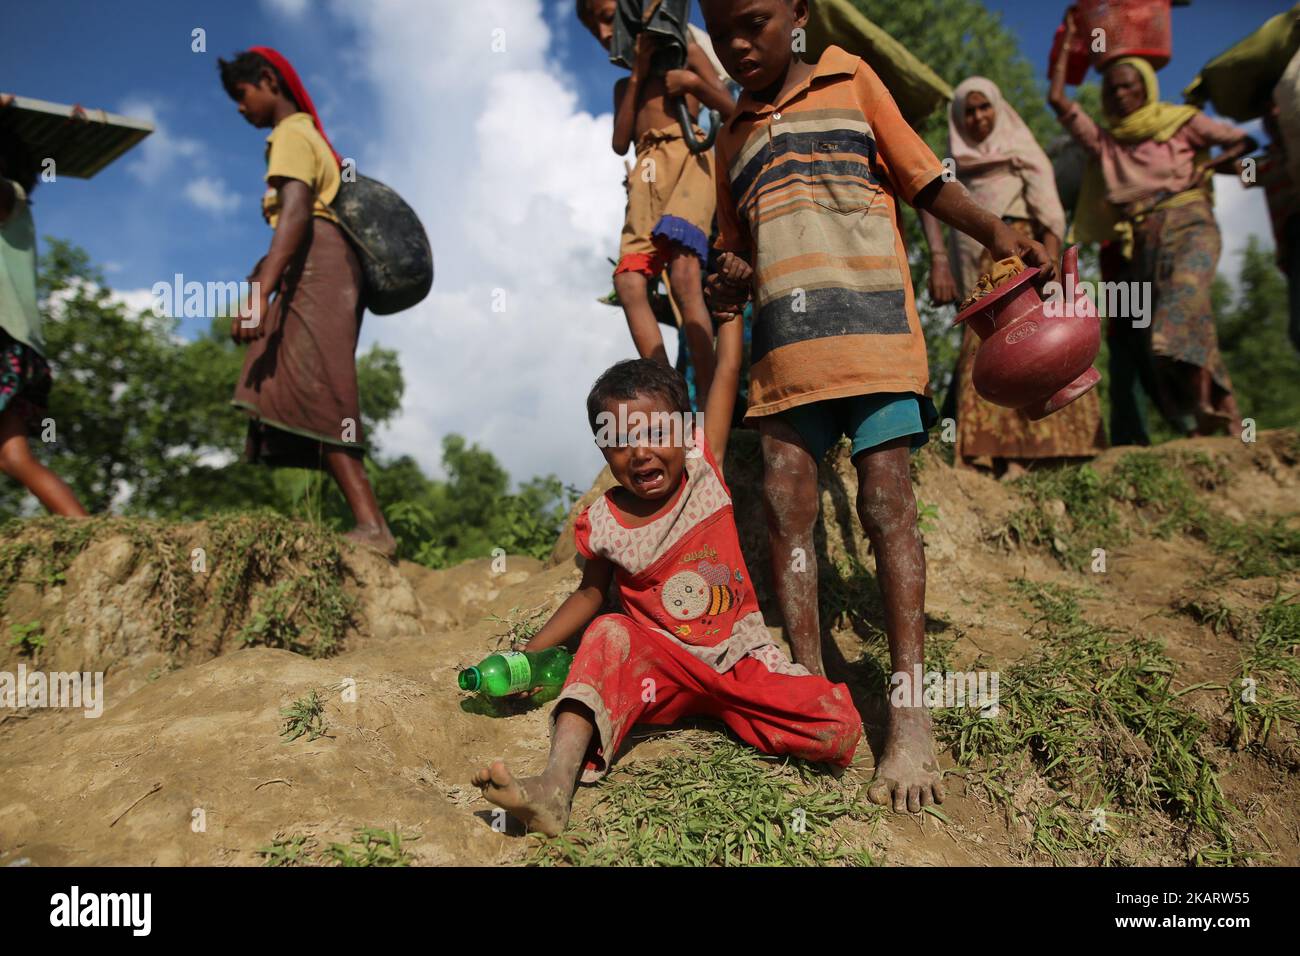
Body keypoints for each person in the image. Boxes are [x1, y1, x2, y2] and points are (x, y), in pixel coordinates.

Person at [700, 0, 1056, 813]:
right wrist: (727, 276)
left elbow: (927, 178)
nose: (736, 44)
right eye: (721, 33)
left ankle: (909, 707)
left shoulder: (852, 79)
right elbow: (737, 248)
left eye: (752, 21)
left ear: (795, 12)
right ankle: (811, 696)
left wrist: (997, 234)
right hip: (785, 358)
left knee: (886, 502)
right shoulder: (730, 136)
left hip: (876, 340)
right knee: (787, 502)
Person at [471, 307, 861, 837]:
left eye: (656, 431)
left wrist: (726, 313)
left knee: (837, 727)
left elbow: (726, 370)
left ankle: (733, 711)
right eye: (620, 441)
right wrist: (528, 654)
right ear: (602, 449)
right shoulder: (604, 522)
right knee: (610, 630)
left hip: (738, 660)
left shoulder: (705, 466)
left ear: (685, 430)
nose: (641, 451)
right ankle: (552, 789)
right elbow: (590, 596)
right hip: (659, 670)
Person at [218, 48, 395, 556]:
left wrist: (258, 292)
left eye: (242, 93)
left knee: (317, 381)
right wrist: (267, 281)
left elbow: (295, 214)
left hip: (320, 268)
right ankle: (367, 522)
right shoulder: (299, 135)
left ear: (268, 81)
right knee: (297, 381)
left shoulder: (292, 134)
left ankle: (373, 527)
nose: (239, 107)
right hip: (314, 269)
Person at [1050, 14, 1257, 440]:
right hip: (1140, 240)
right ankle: (1225, 414)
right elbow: (1058, 100)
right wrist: (1070, 41)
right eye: (1112, 89)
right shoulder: (1106, 143)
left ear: (1145, 86)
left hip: (1190, 221)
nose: (1121, 94)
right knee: (1169, 325)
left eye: (1129, 85)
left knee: (1184, 300)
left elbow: (1244, 144)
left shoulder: (1178, 121)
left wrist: (1209, 169)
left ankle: (1203, 406)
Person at [924, 77, 1106, 478]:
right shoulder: (952, 167)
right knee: (992, 354)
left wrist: (1052, 260)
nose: (977, 117)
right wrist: (939, 258)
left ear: (998, 108)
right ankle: (993, 456)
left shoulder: (1020, 151)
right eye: (968, 111)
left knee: (1036, 345)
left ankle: (1047, 455)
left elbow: (1048, 208)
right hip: (980, 275)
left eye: (983, 107)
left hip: (1019, 261)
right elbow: (926, 198)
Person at [578, 0, 736, 405]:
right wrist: (637, 75)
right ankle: (671, 397)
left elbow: (730, 107)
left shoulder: (685, 49)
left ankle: (710, 403)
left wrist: (693, 84)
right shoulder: (625, 84)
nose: (602, 33)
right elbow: (619, 143)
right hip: (646, 173)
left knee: (685, 277)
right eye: (594, 28)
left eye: (608, 18)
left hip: (688, 158)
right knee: (629, 282)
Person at [0, 99, 88, 517]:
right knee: (13, 458)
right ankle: (88, 533)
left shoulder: (10, 198)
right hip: (13, 345)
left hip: (6, 340)